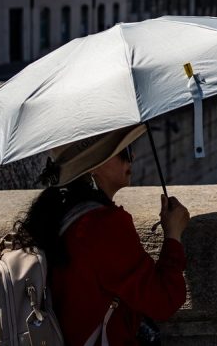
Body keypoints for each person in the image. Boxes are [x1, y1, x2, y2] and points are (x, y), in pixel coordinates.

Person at [15, 124, 190, 345]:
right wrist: (173, 236)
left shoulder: (56, 208)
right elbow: (164, 299)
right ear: (95, 165)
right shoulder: (102, 225)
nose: (132, 156)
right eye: (124, 152)